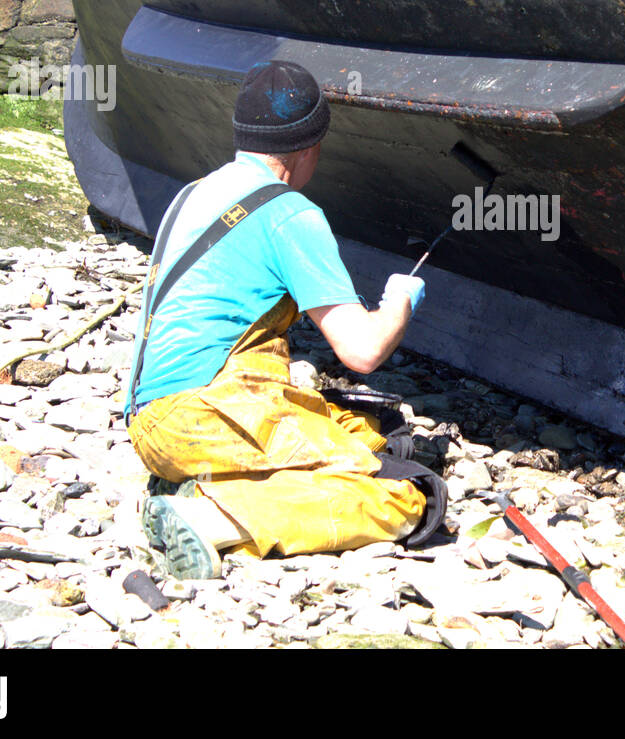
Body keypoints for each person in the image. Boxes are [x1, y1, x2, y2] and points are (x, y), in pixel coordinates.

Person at [123, 59, 445, 579]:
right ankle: (210, 516)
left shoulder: (192, 193)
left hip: (149, 420)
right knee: (404, 493)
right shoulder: (290, 213)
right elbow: (361, 352)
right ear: (312, 145)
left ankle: (192, 481)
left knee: (372, 433)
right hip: (200, 416)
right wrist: (399, 302)